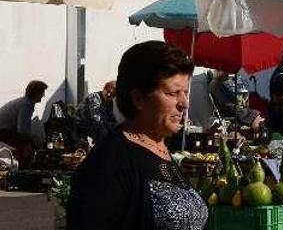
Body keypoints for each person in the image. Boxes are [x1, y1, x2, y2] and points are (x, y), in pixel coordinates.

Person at [67, 41, 207, 230]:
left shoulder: (161, 149)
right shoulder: (110, 161)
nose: (184, 103)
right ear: (138, 98)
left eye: (185, 93)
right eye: (173, 93)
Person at [0, 80, 48, 167]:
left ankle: (21, 165)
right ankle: (23, 169)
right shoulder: (26, 105)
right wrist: (33, 139)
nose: (43, 95)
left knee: (27, 142)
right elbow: (23, 130)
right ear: (37, 93)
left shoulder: (26, 102)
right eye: (42, 93)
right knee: (27, 144)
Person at [75, 80, 119, 145]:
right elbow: (96, 117)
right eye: (108, 91)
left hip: (95, 124)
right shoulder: (95, 97)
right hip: (83, 123)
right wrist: (107, 127)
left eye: (112, 94)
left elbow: (111, 116)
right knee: (104, 132)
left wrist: (117, 127)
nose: (109, 94)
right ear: (104, 89)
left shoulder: (109, 102)